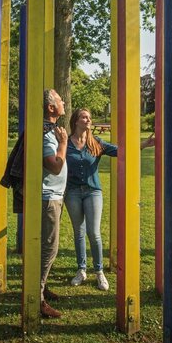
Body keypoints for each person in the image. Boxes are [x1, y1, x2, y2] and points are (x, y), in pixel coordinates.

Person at [64, 108, 154, 291]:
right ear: (75, 121)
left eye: (89, 117)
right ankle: (81, 270)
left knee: (94, 232)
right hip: (72, 192)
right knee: (78, 232)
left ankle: (99, 272)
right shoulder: (66, 143)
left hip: (92, 192)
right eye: (84, 117)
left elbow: (121, 151)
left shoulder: (95, 142)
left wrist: (144, 144)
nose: (88, 120)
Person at [40, 89, 68, 319]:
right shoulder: (46, 133)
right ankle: (36, 297)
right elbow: (55, 165)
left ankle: (42, 287)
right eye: (60, 100)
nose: (64, 101)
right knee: (49, 248)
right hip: (47, 198)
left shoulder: (51, 131)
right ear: (51, 108)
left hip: (54, 196)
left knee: (50, 247)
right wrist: (64, 143)